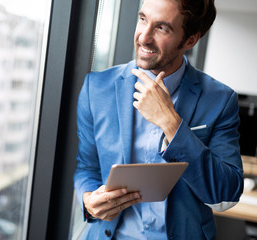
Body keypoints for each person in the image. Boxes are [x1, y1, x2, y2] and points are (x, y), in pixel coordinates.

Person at [74, 0, 244, 239]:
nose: (144, 38)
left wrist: (172, 124)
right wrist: (89, 200)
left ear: (190, 40)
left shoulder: (220, 100)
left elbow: (227, 194)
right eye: (143, 19)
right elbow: (86, 168)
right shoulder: (96, 88)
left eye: (162, 28)